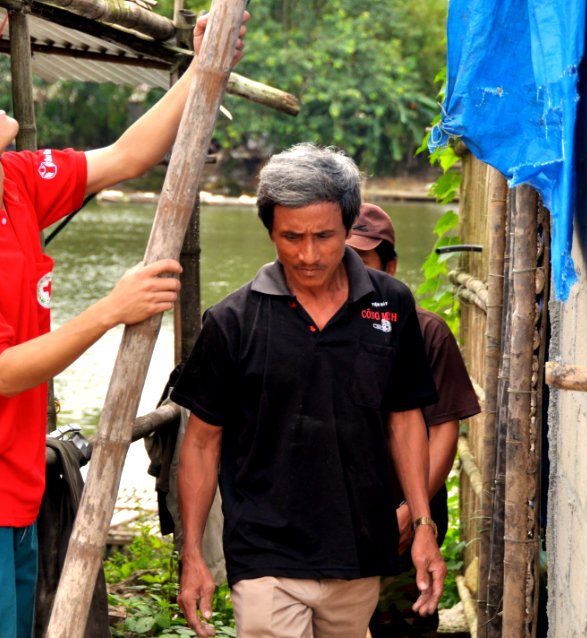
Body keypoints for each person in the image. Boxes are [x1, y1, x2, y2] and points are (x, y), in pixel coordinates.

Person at [0, 11, 247, 638]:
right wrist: (109, 310)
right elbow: (1, 371)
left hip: (12, 486)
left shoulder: (13, 181)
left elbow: (126, 155)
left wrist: (202, 68)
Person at [172, 143, 447, 638]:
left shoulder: (391, 305)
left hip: (359, 548)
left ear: (347, 226)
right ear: (270, 232)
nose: (308, 254)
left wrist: (423, 524)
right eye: (290, 237)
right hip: (264, 553)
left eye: (325, 236)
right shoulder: (232, 322)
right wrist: (192, 552)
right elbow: (201, 441)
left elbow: (405, 419)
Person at [347, 203, 481, 637]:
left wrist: (412, 512)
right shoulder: (319, 330)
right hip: (337, 516)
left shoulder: (426, 332)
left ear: (391, 266)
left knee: (398, 621)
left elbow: (443, 427)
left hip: (405, 515)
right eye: (343, 257)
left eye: (363, 261)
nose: (350, 271)